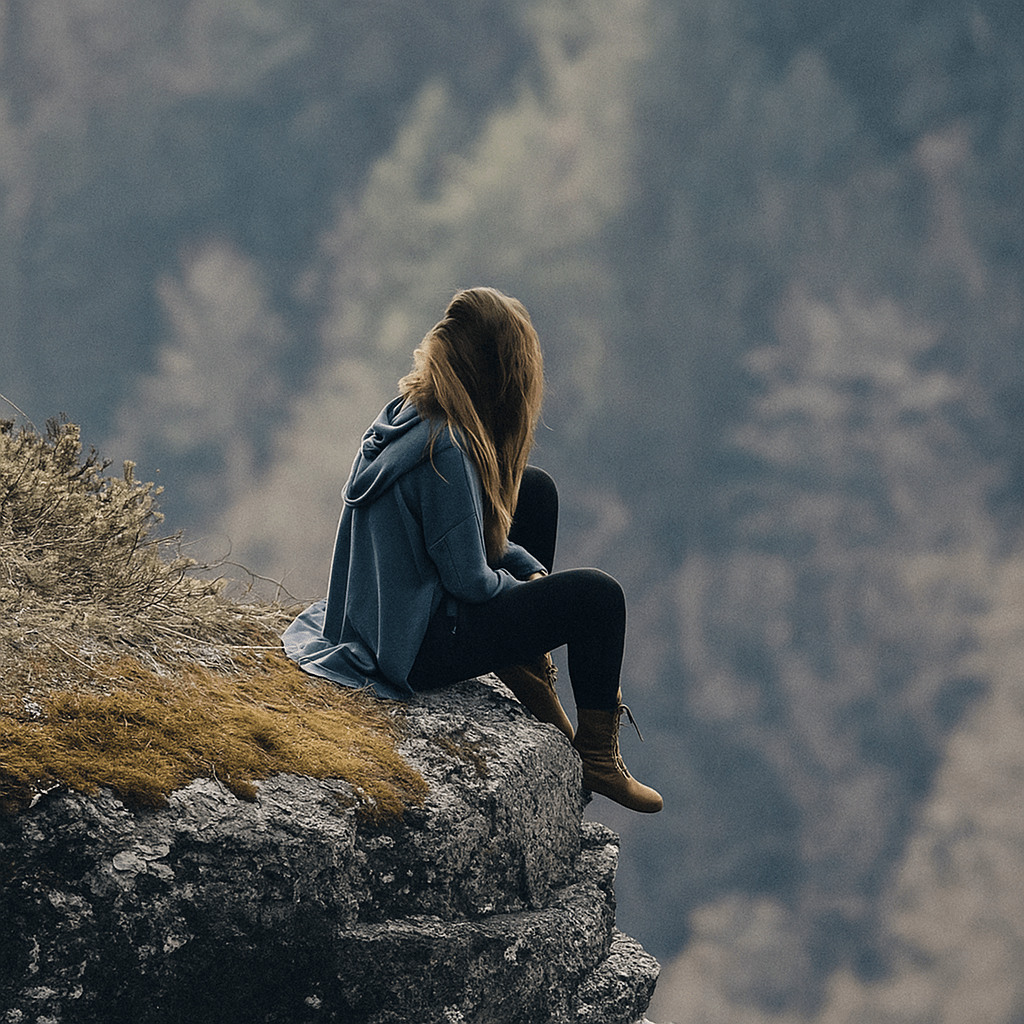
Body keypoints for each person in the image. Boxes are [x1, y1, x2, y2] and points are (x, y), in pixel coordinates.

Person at [282, 287, 662, 813]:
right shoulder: (447, 451)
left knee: (534, 490)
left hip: (380, 615)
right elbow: (469, 581)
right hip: (415, 646)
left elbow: (467, 530)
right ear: (499, 373)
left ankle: (524, 661)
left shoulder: (412, 413)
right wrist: (528, 586)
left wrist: (527, 568)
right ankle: (597, 756)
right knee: (598, 599)